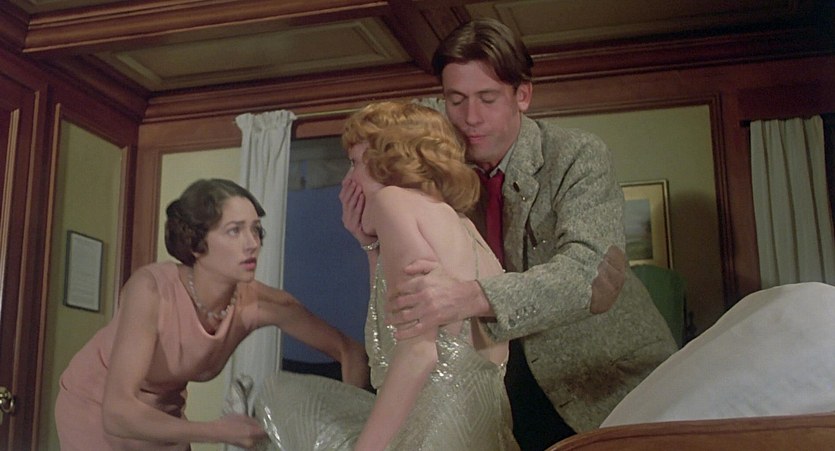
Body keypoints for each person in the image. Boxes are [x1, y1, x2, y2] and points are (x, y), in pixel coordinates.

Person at [373, 18, 678, 450]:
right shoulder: (442, 173)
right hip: (506, 391)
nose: (470, 118)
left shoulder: (577, 155)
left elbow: (590, 276)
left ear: (523, 95)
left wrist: (470, 296)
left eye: (487, 98)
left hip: (606, 385)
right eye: (456, 100)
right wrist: (371, 238)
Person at [255, 101, 518, 450]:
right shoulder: (464, 226)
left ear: (390, 160)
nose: (347, 181)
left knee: (281, 395)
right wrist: (369, 247)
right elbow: (387, 338)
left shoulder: (392, 201)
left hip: (433, 434)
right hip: (487, 435)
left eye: (354, 162)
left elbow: (418, 353)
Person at [54, 178, 369, 450]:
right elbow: (117, 412)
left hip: (164, 416)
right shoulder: (150, 290)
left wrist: (348, 434)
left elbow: (349, 351)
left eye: (256, 230)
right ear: (196, 243)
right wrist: (218, 431)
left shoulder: (262, 304)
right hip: (96, 408)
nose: (252, 244)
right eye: (234, 231)